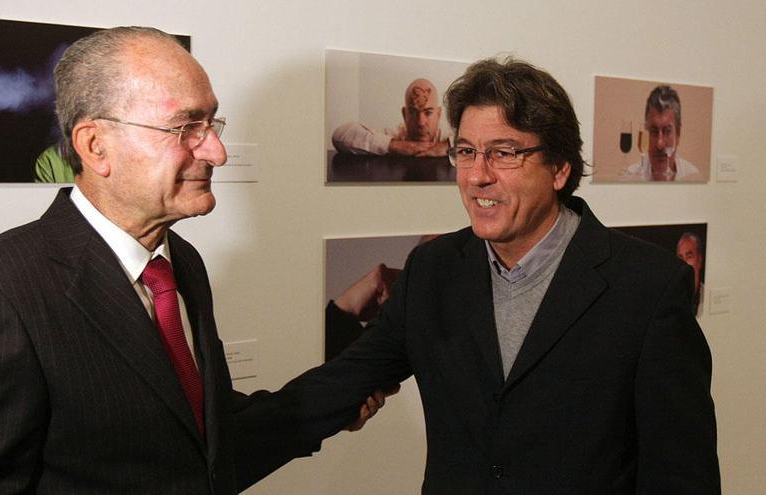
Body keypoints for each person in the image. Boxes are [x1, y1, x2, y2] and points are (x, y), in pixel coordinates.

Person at [0, 26, 385, 494]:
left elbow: (197, 440)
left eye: (211, 125)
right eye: (185, 127)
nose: (216, 152)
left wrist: (339, 397)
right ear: (95, 146)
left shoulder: (181, 264)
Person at [283, 57, 720, 493]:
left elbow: (682, 476)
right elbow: (347, 380)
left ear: (560, 168)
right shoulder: (433, 269)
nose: (477, 176)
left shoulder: (650, 288)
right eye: (467, 152)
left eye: (503, 153)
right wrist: (220, 440)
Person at [332, 78, 449, 157]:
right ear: (404, 114)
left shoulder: (449, 137)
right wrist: (394, 146)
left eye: (428, 113)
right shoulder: (395, 135)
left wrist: (447, 147)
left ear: (438, 114)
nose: (421, 122)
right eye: (413, 113)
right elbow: (340, 135)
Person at [624, 85, 701, 181]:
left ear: (678, 134)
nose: (660, 144)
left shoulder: (692, 178)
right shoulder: (630, 178)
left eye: (667, 131)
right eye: (654, 131)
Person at [677, 231, 705, 315]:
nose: (684, 262)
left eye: (689, 256)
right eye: (680, 257)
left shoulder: (706, 295)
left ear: (699, 260)